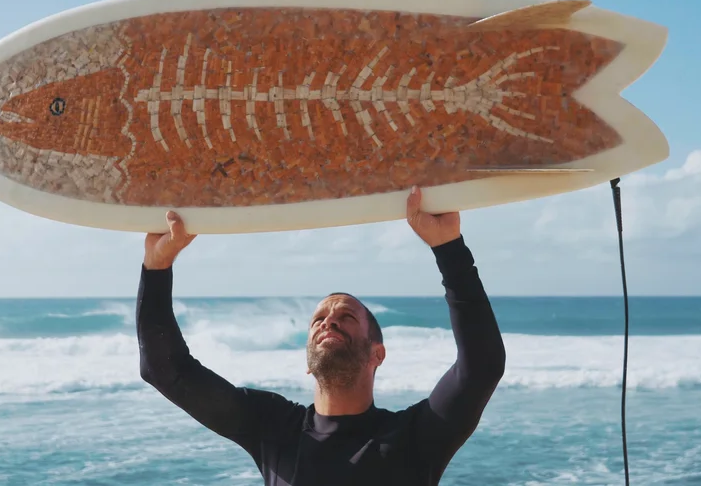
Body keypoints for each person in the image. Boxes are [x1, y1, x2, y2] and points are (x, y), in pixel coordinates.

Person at [136, 185, 507, 485]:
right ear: (307, 360)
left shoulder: (414, 437)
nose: (327, 322)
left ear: (378, 353)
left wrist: (449, 249)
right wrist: (156, 266)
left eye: (345, 316)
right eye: (318, 319)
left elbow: (481, 366)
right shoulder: (273, 428)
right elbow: (165, 369)